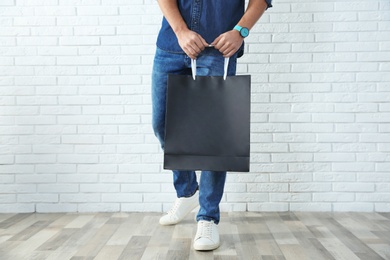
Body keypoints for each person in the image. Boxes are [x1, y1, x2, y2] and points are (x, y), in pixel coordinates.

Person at [152, 0, 272, 251]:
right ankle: (187, 192)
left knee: (214, 137)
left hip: (218, 50)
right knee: (162, 124)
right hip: (172, 46)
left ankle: (207, 217)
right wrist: (181, 32)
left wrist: (240, 32)